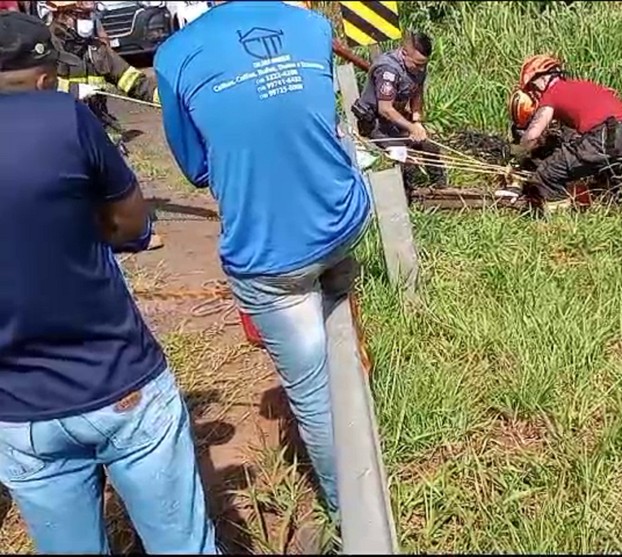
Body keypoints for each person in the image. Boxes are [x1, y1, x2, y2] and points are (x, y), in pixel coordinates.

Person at [0, 12, 217, 554]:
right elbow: (132, 223)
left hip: (20, 414)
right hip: (117, 383)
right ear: (47, 77)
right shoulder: (64, 116)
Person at [154, 0, 372, 518]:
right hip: (344, 220)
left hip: (271, 256)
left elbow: (194, 168)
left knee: (313, 391)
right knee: (339, 314)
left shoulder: (174, 55)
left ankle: (354, 518)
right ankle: (365, 399)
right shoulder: (311, 25)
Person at [43, 0, 164, 249]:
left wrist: (169, 100)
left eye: (90, 14)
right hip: (57, 132)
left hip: (96, 128)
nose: (88, 20)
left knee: (117, 175)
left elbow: (134, 82)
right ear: (61, 15)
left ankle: (126, 232)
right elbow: (33, 87)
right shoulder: (44, 49)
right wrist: (74, 90)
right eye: (81, 14)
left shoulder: (96, 51)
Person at [512, 54, 622, 212]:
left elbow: (533, 134)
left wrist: (518, 153)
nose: (533, 93)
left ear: (544, 79)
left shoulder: (553, 93)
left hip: (605, 136)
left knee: (549, 173)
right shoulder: (583, 86)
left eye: (533, 87)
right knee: (610, 182)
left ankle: (561, 222)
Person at [351, 31, 447, 189]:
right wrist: (410, 128)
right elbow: (385, 109)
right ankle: (409, 197)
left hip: (396, 122)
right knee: (407, 158)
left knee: (430, 147)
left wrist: (417, 121)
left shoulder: (418, 67)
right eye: (417, 64)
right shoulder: (387, 70)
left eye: (424, 64)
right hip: (376, 124)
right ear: (404, 53)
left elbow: (417, 93)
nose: (421, 68)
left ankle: (439, 188)